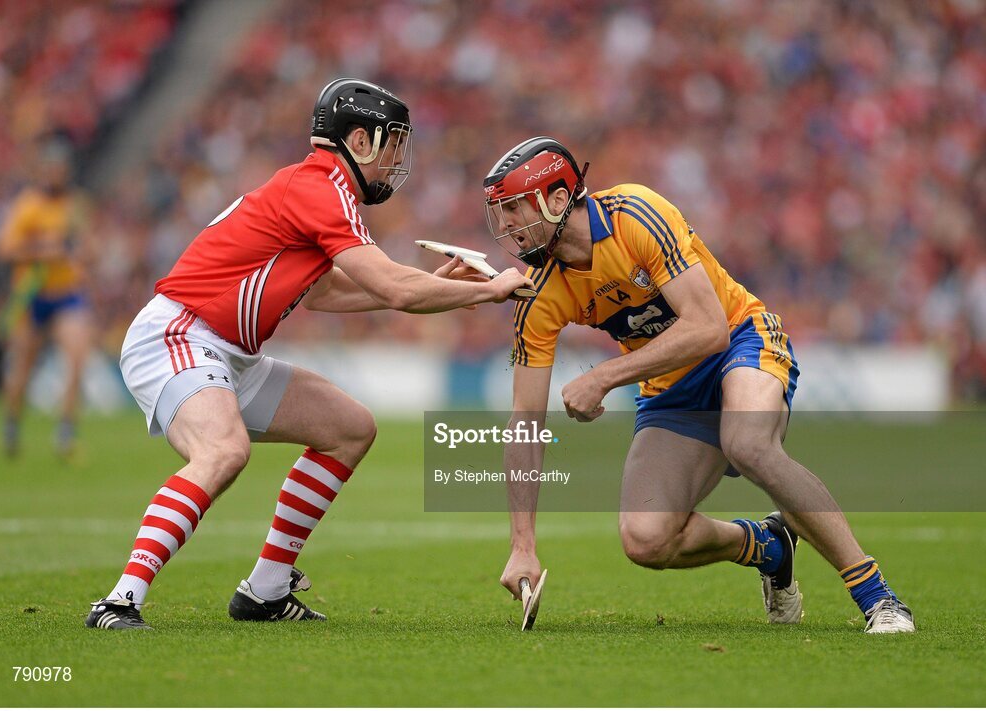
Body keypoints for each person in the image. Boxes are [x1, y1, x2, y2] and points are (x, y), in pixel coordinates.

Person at [85, 78, 532, 630]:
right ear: (359, 141)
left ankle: (267, 590)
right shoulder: (321, 189)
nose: (397, 159)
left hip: (225, 350)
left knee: (350, 428)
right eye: (391, 144)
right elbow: (394, 289)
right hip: (179, 334)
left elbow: (323, 292)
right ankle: (119, 600)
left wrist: (437, 288)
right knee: (224, 451)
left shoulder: (321, 187)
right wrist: (485, 290)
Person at [484, 136, 914, 634]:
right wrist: (522, 545)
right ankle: (770, 547)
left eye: (514, 207)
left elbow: (709, 329)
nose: (507, 225)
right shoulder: (536, 292)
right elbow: (525, 421)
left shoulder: (635, 214)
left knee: (747, 443)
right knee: (645, 540)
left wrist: (603, 377)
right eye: (500, 213)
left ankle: (877, 596)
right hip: (671, 390)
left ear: (558, 199)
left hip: (740, 341)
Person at [0, 136, 95, 458]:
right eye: (51, 168)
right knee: (23, 365)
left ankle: (65, 431)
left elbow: (87, 248)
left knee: (78, 357)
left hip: (67, 294)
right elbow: (4, 249)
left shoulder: (75, 204)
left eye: (61, 168)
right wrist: (43, 251)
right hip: (33, 294)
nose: (56, 174)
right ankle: (11, 423)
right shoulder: (28, 205)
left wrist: (79, 255)